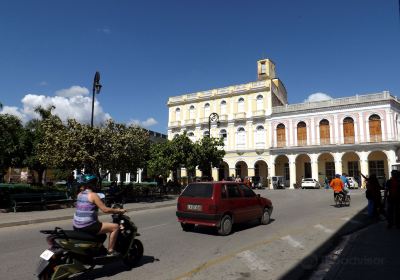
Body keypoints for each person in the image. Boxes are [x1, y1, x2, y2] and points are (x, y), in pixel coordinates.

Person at [73, 174, 126, 256]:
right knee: (115, 227)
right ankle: (111, 251)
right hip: (87, 226)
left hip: (76, 225)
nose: (97, 184)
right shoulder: (93, 195)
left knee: (102, 233)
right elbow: (105, 210)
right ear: (92, 184)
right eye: (96, 183)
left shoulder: (80, 194)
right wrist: (118, 211)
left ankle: (97, 248)